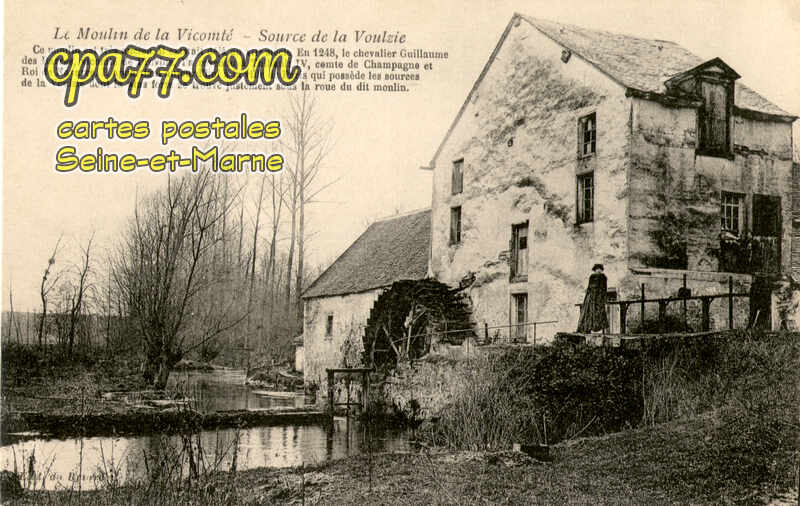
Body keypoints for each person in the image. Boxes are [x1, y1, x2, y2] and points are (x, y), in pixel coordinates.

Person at [577, 263, 609, 333]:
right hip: (591, 298)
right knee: (589, 313)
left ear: (601, 270)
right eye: (597, 269)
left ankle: (600, 329)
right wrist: (587, 297)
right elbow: (589, 288)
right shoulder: (592, 277)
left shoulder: (603, 277)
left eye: (600, 269)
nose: (598, 270)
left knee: (599, 313)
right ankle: (587, 328)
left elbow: (604, 289)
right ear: (595, 270)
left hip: (599, 298)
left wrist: (603, 297)